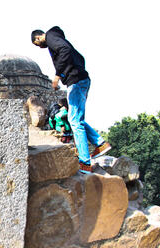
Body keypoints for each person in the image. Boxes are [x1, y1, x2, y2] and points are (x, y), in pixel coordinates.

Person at [32, 26, 111, 174]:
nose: (40, 47)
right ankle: (100, 143)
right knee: (75, 118)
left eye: (37, 44)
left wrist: (58, 75)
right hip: (81, 79)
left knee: (74, 121)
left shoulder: (50, 37)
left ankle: (84, 162)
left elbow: (65, 50)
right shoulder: (57, 37)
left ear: (38, 38)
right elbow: (79, 57)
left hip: (75, 82)